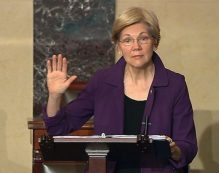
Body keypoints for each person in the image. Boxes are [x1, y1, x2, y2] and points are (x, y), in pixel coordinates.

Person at [44, 7, 197, 173]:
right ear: (118, 46)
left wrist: (173, 150)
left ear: (155, 41)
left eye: (143, 38)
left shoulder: (175, 84)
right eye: (127, 40)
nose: (136, 46)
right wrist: (54, 96)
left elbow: (188, 146)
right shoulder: (102, 81)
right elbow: (58, 128)